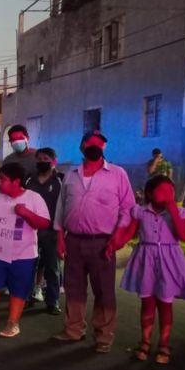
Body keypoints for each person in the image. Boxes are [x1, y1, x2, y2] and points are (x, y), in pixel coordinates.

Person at [53, 131, 136, 353]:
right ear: (82, 147)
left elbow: (128, 208)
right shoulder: (71, 175)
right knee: (74, 288)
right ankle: (73, 329)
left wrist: (118, 236)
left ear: (104, 148)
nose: (95, 146)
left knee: (104, 291)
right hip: (74, 241)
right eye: (90, 143)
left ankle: (104, 336)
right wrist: (60, 236)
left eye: (99, 144)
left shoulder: (118, 174)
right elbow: (61, 207)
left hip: (102, 242)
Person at [118, 176, 185, 364]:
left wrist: (173, 210)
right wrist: (113, 245)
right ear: (150, 193)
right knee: (147, 303)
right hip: (146, 261)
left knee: (165, 303)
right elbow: (129, 233)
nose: (168, 195)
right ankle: (145, 341)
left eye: (171, 191)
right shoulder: (140, 212)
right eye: (162, 191)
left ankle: (164, 344)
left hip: (169, 262)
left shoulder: (180, 213)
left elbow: (183, 236)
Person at [0, 162, 50, 337]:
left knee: (19, 289)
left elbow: (45, 223)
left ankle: (13, 323)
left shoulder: (33, 198)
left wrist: (27, 214)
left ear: (16, 182)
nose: (0, 182)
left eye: (3, 179)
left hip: (24, 254)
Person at [24, 147, 64, 315]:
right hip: (30, 229)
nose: (41, 161)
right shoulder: (29, 180)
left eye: (45, 158)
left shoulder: (61, 180)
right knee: (28, 265)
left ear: (53, 161)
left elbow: (65, 205)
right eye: (38, 158)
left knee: (52, 267)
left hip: (52, 230)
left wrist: (62, 230)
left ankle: (52, 301)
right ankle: (25, 296)